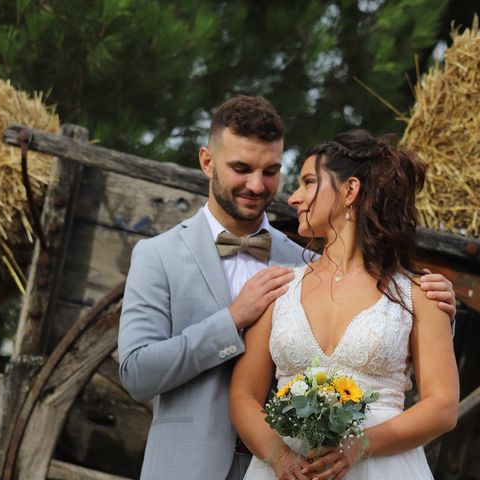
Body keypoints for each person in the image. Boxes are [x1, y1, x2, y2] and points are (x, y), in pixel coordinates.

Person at [119, 96, 457, 480]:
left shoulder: (300, 261)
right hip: (195, 467)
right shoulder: (156, 255)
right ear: (207, 161)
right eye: (241, 168)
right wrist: (231, 320)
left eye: (272, 171)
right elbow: (135, 374)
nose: (258, 185)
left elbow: (394, 330)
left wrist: (443, 308)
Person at [230, 129, 459, 480]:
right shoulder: (279, 288)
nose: (294, 197)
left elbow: (442, 407)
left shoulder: (419, 294)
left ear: (350, 190)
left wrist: (361, 445)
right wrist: (278, 457)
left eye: (308, 182)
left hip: (383, 468)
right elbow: (244, 395)